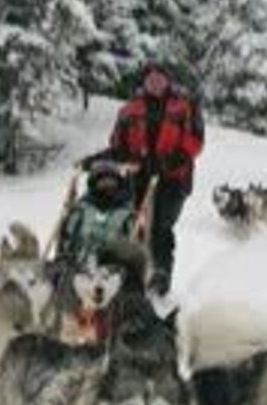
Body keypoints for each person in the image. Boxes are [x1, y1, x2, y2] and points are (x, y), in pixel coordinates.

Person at [82, 61, 204, 296]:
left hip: (173, 180)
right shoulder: (129, 110)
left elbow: (194, 142)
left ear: (168, 81)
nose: (155, 82)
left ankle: (160, 275)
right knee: (128, 222)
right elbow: (118, 147)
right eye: (151, 78)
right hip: (138, 178)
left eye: (160, 78)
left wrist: (168, 162)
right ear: (144, 82)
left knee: (159, 225)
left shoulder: (184, 107)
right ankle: (128, 271)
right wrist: (96, 160)